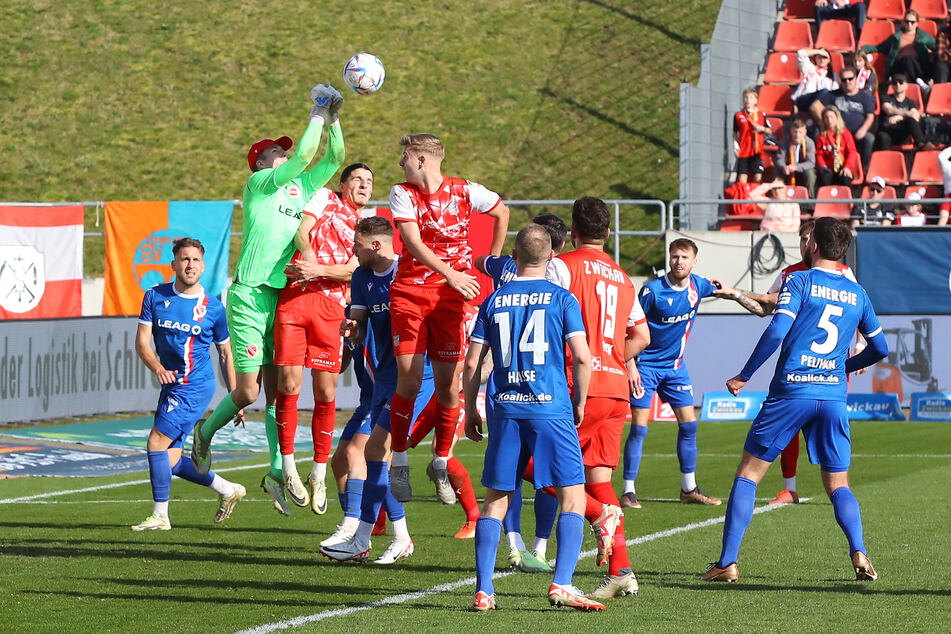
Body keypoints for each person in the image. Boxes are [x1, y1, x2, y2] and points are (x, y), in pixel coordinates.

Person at [700, 217, 888, 583]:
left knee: (749, 474)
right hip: (832, 395)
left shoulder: (799, 280)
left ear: (813, 245)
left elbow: (776, 330)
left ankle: (726, 563)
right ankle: (859, 550)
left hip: (792, 390)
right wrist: (844, 366)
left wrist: (744, 375)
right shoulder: (857, 292)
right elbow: (880, 348)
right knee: (838, 484)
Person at [190, 84, 345, 515]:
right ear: (259, 163)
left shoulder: (297, 189)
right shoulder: (259, 184)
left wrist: (334, 120)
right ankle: (205, 432)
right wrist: (315, 111)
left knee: (278, 390)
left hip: (282, 297)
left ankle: (279, 470)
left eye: (281, 152)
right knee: (246, 391)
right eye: (273, 153)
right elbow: (300, 159)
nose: (282, 156)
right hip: (248, 294)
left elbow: (331, 160)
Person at [465, 223, 604, 612]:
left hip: (506, 408)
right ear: (552, 258)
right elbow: (581, 356)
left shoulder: (493, 300)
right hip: (550, 407)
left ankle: (484, 590)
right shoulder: (562, 298)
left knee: (495, 500)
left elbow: (474, 360)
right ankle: (562, 583)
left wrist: (470, 408)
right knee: (573, 497)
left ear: (513, 257)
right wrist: (579, 403)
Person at [384, 133, 509, 504]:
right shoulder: (402, 192)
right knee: (407, 381)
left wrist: (490, 264)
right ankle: (401, 462)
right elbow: (412, 243)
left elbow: (501, 211)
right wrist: (453, 273)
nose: (400, 162)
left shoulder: (465, 190)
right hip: (409, 295)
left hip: (449, 302)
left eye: (405, 155)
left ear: (422, 159)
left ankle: (440, 462)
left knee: (448, 387)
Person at [712, 219, 864, 506]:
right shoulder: (789, 274)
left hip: (828, 371)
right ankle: (790, 488)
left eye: (808, 238)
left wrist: (859, 344)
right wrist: (734, 295)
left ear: (817, 243)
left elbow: (858, 312)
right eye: (802, 238)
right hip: (800, 371)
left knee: (824, 431)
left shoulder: (844, 274)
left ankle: (838, 486)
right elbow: (764, 308)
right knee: (791, 428)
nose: (805, 243)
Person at [548, 197, 651, 600]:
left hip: (577, 386)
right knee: (600, 481)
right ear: (608, 234)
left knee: (531, 467)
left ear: (572, 231)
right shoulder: (624, 278)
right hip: (614, 390)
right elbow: (642, 336)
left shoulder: (563, 266)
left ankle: (598, 517)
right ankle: (621, 569)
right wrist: (612, 358)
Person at [319, 216, 436, 564]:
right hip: (383, 378)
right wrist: (350, 329)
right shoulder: (361, 276)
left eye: (356, 244)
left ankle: (362, 536)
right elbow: (358, 323)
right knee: (373, 454)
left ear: (375, 245)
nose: (352, 251)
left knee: (375, 452)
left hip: (417, 377)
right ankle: (394, 537)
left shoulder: (409, 272)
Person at [273, 163, 372, 514]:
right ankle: (287, 468)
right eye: (358, 179)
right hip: (296, 298)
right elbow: (303, 229)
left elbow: (357, 268)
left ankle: (317, 472)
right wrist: (310, 257)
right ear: (343, 184)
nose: (364, 185)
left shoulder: (367, 226)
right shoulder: (324, 197)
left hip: (331, 308)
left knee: (326, 391)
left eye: (369, 182)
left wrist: (321, 271)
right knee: (288, 384)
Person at [132, 238, 245, 530]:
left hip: (194, 386)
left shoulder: (214, 308)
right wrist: (157, 366)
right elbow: (142, 342)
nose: (190, 265)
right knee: (168, 460)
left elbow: (225, 353)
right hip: (171, 384)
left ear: (203, 266)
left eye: (195, 260)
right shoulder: (154, 297)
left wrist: (236, 399)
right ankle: (227, 489)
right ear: (174, 265)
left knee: (155, 442)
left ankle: (160, 516)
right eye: (184, 260)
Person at [620, 238, 721, 511]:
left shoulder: (698, 285)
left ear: (694, 261)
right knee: (639, 428)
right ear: (669, 258)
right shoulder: (652, 291)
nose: (678, 262)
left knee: (689, 425)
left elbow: (722, 289)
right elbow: (627, 326)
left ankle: (688, 487)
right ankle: (628, 491)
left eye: (684, 257)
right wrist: (630, 364)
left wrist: (744, 296)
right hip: (646, 367)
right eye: (674, 256)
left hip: (675, 368)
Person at [815, 67, 876, 171]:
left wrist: (863, 129)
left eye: (850, 79)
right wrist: (823, 123)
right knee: (818, 133)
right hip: (837, 133)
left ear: (856, 79)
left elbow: (870, 116)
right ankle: (824, 170)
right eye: (844, 80)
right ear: (840, 81)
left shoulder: (865, 97)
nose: (847, 82)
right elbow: (815, 105)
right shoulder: (833, 94)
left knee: (869, 138)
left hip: (857, 132)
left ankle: (865, 171)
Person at [862, 10, 936, 85]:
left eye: (912, 22)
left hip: (917, 67)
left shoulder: (924, 37)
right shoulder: (896, 37)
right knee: (906, 59)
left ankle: (910, 86)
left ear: (917, 23)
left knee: (908, 61)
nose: (909, 24)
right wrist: (864, 48)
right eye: (907, 21)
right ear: (903, 22)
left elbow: (937, 46)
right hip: (899, 66)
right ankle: (919, 84)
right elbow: (880, 47)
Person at [877, 74, 929, 151]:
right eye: (895, 83)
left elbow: (915, 115)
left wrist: (899, 117)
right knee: (883, 137)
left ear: (906, 85)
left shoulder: (911, 102)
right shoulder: (886, 98)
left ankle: (921, 144)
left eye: (901, 82)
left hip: (902, 132)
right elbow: (889, 110)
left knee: (911, 121)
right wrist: (907, 114)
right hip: (888, 130)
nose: (898, 85)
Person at [815, 105, 860, 187]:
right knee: (824, 177)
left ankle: (849, 199)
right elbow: (819, 154)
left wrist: (847, 166)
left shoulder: (845, 133)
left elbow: (852, 152)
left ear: (837, 118)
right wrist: (823, 166)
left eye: (831, 117)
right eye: (826, 118)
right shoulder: (821, 136)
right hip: (829, 168)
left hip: (843, 166)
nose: (829, 120)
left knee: (846, 177)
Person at [733, 89, 770, 183]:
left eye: (751, 97)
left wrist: (761, 129)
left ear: (756, 101)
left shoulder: (762, 115)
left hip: (757, 151)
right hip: (744, 151)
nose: (748, 100)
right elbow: (734, 133)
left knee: (758, 178)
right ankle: (743, 196)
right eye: (745, 97)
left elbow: (769, 130)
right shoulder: (738, 115)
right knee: (742, 180)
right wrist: (736, 146)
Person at [774, 119, 817, 198]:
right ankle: (779, 197)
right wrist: (784, 167)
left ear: (805, 132)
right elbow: (780, 158)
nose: (797, 135)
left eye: (800, 132)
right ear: (791, 131)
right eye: (795, 132)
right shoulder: (784, 142)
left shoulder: (809, 143)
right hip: (788, 167)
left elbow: (811, 162)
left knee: (810, 173)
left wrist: (796, 167)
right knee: (778, 172)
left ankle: (810, 202)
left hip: (801, 168)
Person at [792, 49, 838, 120]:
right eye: (819, 57)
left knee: (828, 97)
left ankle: (823, 125)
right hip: (806, 99)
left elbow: (835, 91)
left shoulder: (833, 75)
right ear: (815, 58)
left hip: (822, 104)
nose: (822, 60)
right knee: (825, 92)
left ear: (829, 60)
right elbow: (801, 53)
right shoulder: (810, 68)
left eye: (825, 57)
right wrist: (819, 51)